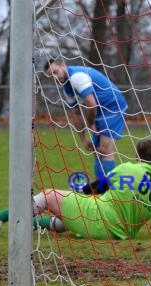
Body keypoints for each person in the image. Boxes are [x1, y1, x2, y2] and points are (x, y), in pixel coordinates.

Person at [0, 137, 151, 240]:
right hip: (122, 233)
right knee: (65, 219)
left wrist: (78, 195)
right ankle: (29, 224)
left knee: (49, 195)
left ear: (137, 154)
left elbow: (96, 187)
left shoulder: (129, 168)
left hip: (99, 220)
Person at [44, 58, 128, 189]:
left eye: (56, 72)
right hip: (99, 110)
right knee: (97, 150)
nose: (55, 77)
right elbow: (76, 114)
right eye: (51, 76)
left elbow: (91, 104)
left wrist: (90, 123)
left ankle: (109, 191)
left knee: (105, 151)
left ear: (63, 65)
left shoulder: (77, 77)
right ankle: (101, 187)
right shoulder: (67, 88)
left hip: (112, 106)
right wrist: (83, 139)